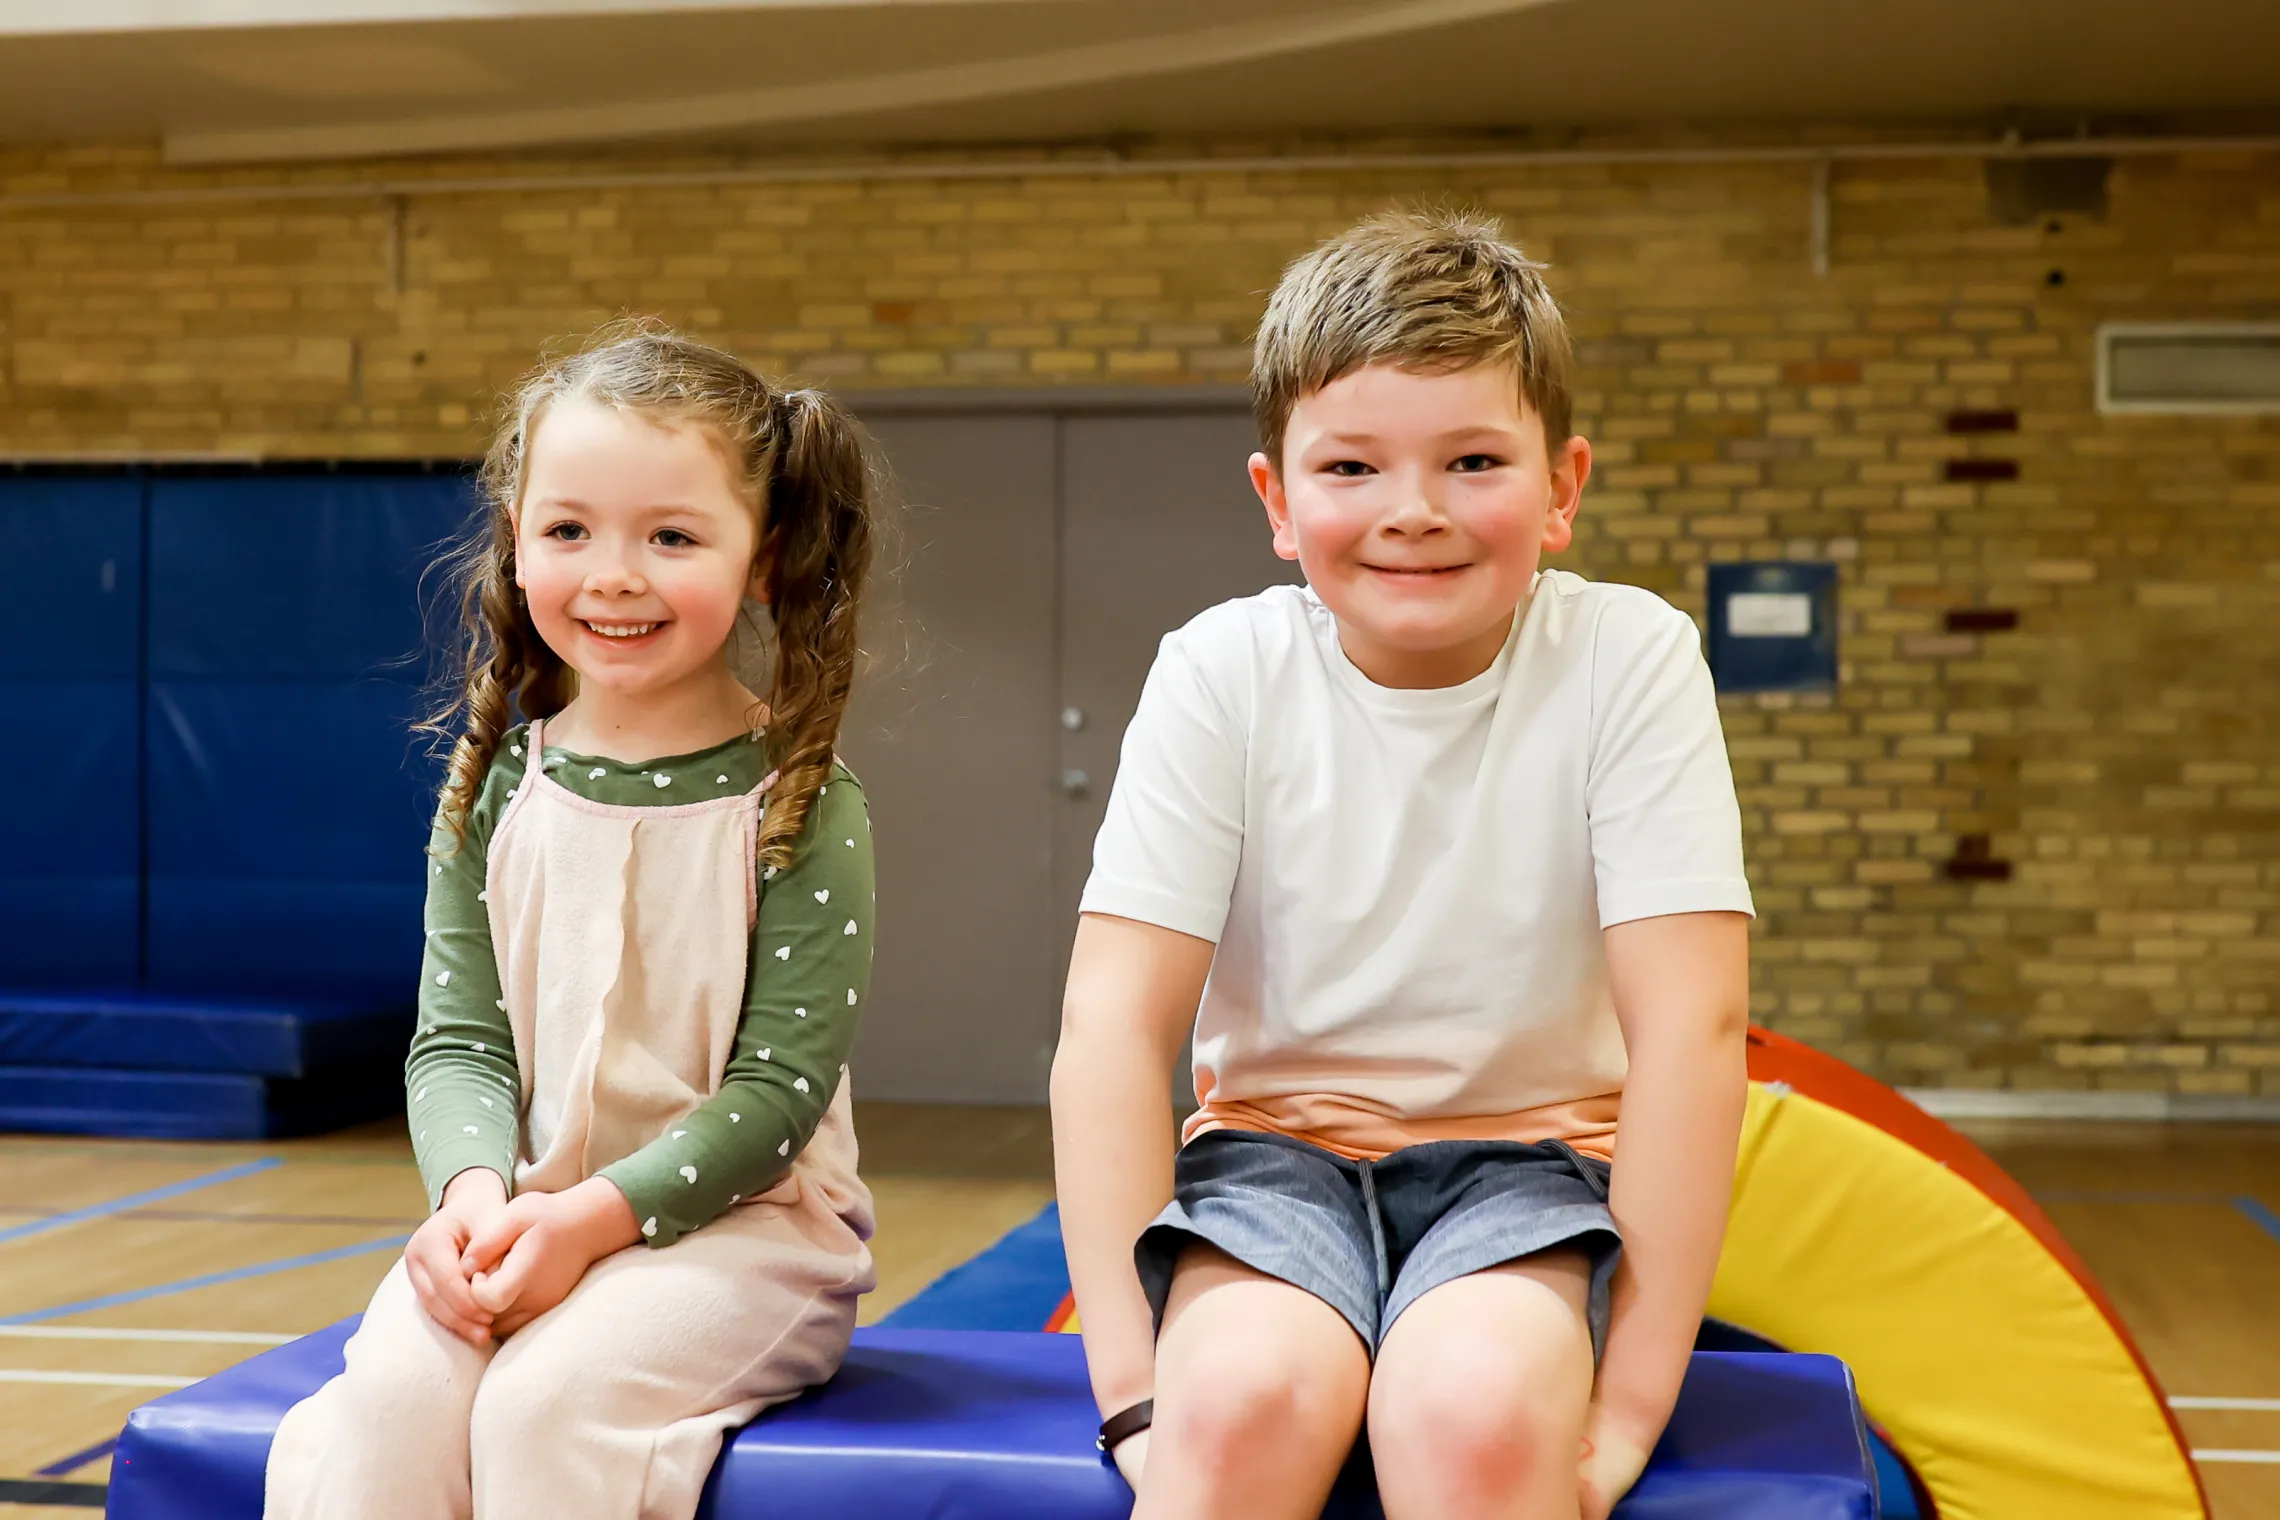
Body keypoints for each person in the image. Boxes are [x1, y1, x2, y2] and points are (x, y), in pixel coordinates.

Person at [1050, 208, 1755, 1520]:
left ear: (1563, 488)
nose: (1414, 513)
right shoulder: (1226, 669)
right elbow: (1110, 1026)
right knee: (1243, 1403)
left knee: (1475, 1415)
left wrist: (1629, 1408)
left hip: (1539, 1165)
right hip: (1275, 1158)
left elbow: (1697, 1031)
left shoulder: (1628, 658)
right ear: (1278, 498)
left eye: (1474, 460)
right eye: (1353, 468)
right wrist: (1138, 1397)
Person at [266, 325, 880, 1520]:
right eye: (568, 529)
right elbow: (460, 1042)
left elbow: (775, 1093)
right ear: (515, 535)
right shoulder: (495, 777)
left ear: (764, 558)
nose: (613, 572)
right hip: (522, 1213)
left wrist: (593, 1222)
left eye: (672, 534)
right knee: (390, 1402)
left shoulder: (799, 797)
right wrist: (473, 1202)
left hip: (745, 1238)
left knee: (545, 1403)